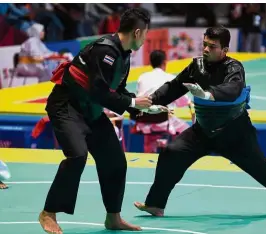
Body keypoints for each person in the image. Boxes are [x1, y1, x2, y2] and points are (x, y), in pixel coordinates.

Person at [134, 26, 266, 217]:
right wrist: (150, 101)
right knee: (171, 152)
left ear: (224, 50)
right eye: (204, 44)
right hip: (202, 131)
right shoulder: (196, 66)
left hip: (235, 134)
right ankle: (155, 204)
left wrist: (208, 94)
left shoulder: (234, 67)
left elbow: (233, 90)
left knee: (265, 173)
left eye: (212, 46)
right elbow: (174, 87)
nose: (206, 49)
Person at [38, 8, 168, 234]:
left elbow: (117, 90)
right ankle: (48, 212)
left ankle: (113, 218)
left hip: (92, 111)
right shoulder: (104, 50)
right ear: (137, 32)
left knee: (115, 161)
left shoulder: (124, 55)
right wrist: (134, 102)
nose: (146, 38)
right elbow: (100, 91)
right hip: (67, 106)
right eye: (146, 33)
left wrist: (145, 108)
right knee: (77, 155)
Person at [136, 50, 192, 153]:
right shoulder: (170, 78)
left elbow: (139, 101)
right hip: (164, 121)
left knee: (150, 121)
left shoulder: (142, 77)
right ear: (165, 62)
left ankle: (149, 152)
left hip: (142, 122)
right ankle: (175, 154)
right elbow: (184, 102)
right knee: (188, 131)